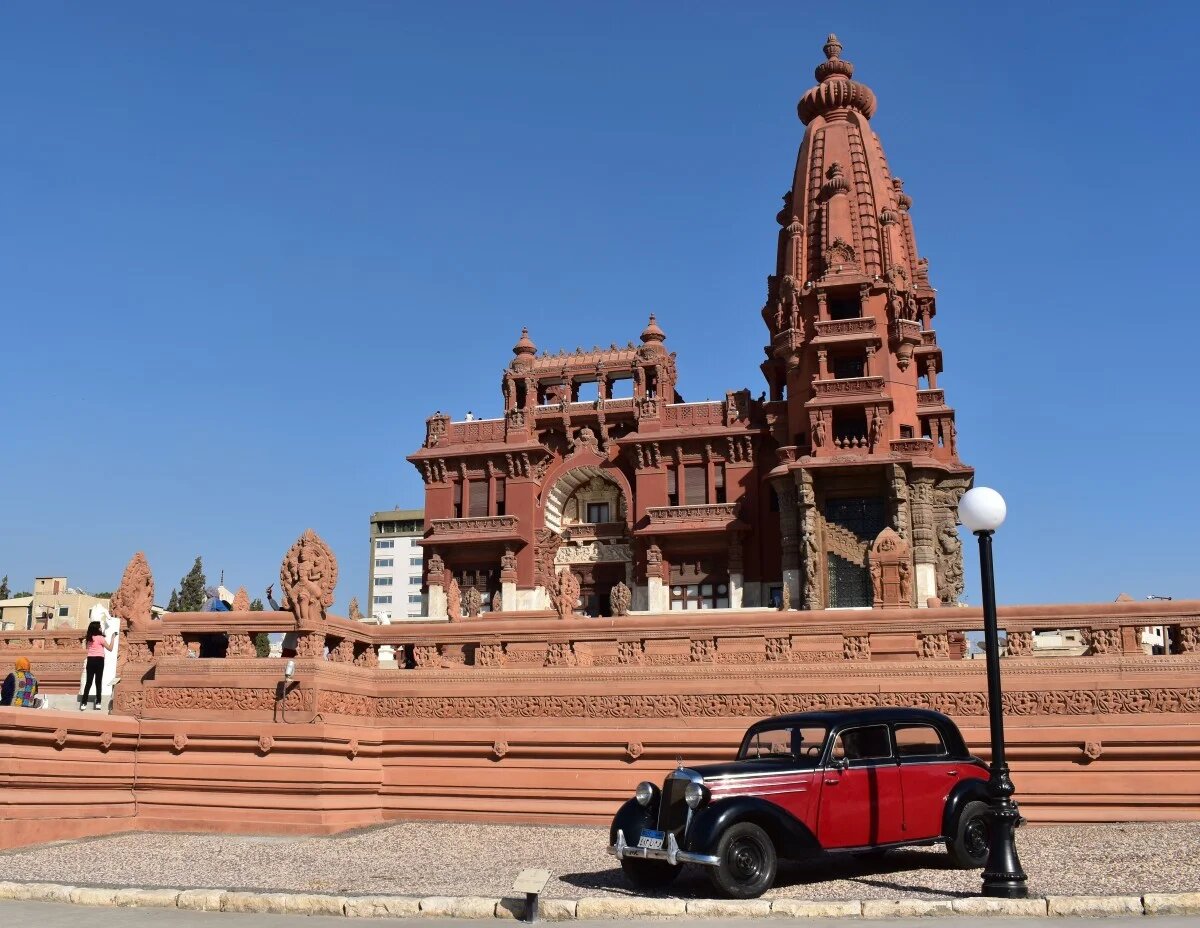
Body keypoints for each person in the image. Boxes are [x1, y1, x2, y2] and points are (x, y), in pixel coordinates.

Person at [81, 620, 117, 710]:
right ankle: (98, 702)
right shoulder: (100, 638)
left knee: (88, 682)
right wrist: (113, 638)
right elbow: (110, 648)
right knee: (98, 682)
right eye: (100, 626)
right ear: (97, 628)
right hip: (99, 660)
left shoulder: (89, 639)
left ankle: (83, 703)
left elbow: (87, 648)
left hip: (90, 660)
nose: (101, 628)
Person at [266, 585, 299, 658]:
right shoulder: (289, 610)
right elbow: (277, 609)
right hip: (289, 645)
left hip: (302, 646)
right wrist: (269, 597)